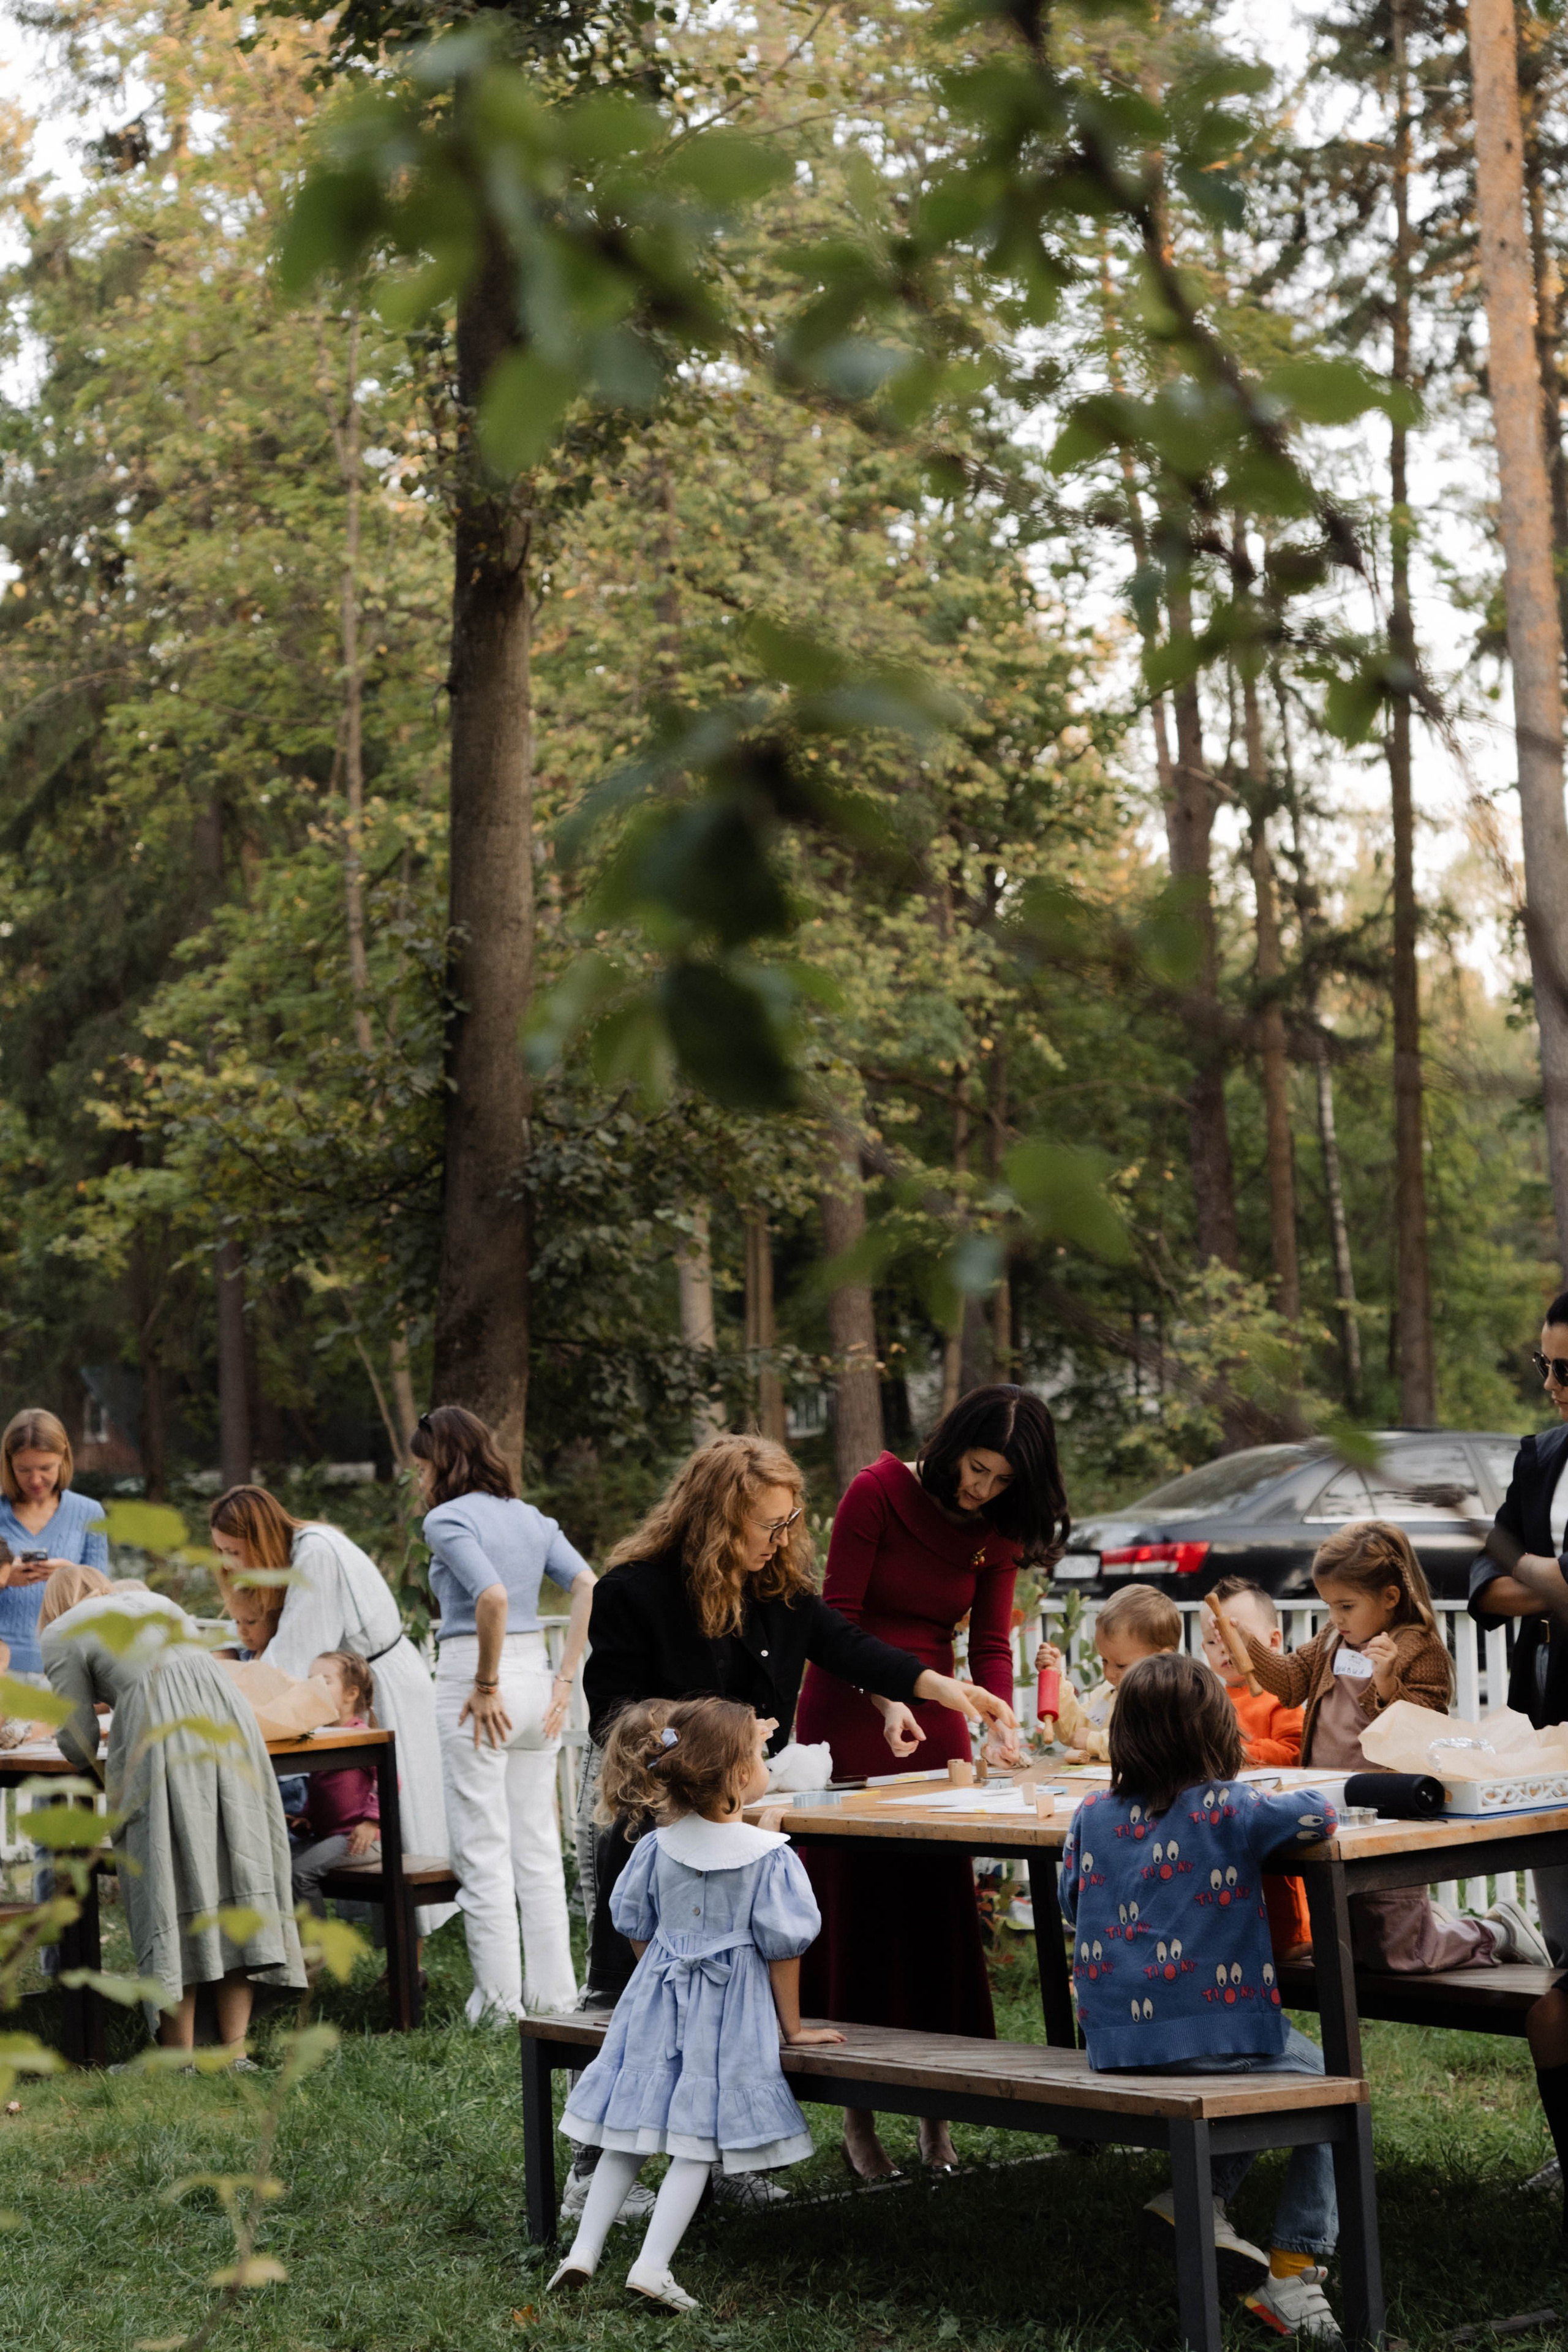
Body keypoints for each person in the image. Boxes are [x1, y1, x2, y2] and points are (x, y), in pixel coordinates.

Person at [575, 1430, 1013, 2214]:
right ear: (716, 1519)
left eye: (789, 1523)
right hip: (655, 1834)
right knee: (634, 1998)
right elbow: (612, 1716)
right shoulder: (635, 1591)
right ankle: (592, 2173)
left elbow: (849, 1646)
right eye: (766, 1526)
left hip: (743, 1837)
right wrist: (711, 1739)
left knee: (735, 2002)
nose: (782, 1540)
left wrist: (942, 1690)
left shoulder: (775, 1593)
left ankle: (723, 2163)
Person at [796, 1385, 1065, 2179]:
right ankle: (857, 2119)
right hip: (852, 1703)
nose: (979, 1491)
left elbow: (988, 1643)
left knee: (934, 1909)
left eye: (1000, 1481)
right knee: (858, 1909)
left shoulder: (999, 1529)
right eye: (975, 1470)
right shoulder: (876, 1490)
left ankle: (938, 2120)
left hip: (937, 1714)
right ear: (952, 1447)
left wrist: (1001, 1718)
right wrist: (885, 1698)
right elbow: (833, 1621)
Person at [1062, 1653, 1344, 2342]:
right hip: (1214, 2036)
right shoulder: (1235, 1808)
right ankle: (1293, 2270)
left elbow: (1070, 1900)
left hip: (1114, 2045)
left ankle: (1196, 2204)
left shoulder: (1091, 1814)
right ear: (1221, 1734)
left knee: (1266, 2070)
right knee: (1327, 2088)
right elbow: (1319, 1816)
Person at [549, 1696, 843, 2313]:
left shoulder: (658, 1846)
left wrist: (658, 1976)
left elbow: (633, 1921)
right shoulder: (772, 1859)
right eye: (760, 1755)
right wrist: (791, 2028)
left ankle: (582, 2251)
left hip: (656, 1993)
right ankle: (652, 2266)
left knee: (626, 2130)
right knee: (695, 2143)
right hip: (729, 2012)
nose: (765, 1763)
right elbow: (783, 1948)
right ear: (739, 1777)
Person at [1245, 1521, 1540, 1970]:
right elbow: (1288, 1683)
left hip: (1389, 1812)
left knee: (1403, 1954)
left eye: (1346, 1605)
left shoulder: (1418, 1647)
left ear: (1389, 1597)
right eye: (1330, 1606)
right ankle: (1428, 1925)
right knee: (1351, 1943)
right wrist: (1243, 1642)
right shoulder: (1331, 1640)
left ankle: (1497, 1931)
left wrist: (1385, 1684)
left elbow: (1423, 1732)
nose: (1336, 1618)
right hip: (1335, 1806)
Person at [40, 1570, 304, 2056]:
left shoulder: (59, 1633)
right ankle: (235, 2048)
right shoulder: (155, 1602)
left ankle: (178, 2051)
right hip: (229, 1720)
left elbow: (76, 1741)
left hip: (161, 1734)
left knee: (168, 1873)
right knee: (230, 1868)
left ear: (52, 1606)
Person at [411, 1405, 595, 2025]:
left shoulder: (447, 1518)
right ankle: (555, 1996)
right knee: (538, 1849)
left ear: (439, 1460)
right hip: (538, 1679)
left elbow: (489, 1595)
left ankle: (497, 2006)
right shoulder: (532, 1518)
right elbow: (587, 1584)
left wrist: (486, 1682)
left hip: (476, 1676)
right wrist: (566, 1677)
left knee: (483, 1849)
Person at [208, 1485, 453, 1942]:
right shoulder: (302, 1552)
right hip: (355, 1683)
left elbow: (296, 1653)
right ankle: (395, 1957)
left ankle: (406, 1962)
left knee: (399, 1830)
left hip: (379, 1687)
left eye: (234, 1551)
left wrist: (230, 1687)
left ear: (258, 1540)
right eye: (221, 1552)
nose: (229, 1563)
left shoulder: (316, 1553)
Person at [1469, 1295, 1568, 2219]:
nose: (1552, 1384)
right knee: (1564, 1968)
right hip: (1549, 1737)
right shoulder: (1541, 1456)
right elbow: (1485, 1574)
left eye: (1567, 1370)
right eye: (1545, 1366)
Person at [1200, 1578, 1311, 1960]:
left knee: (1277, 1882)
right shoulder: (1209, 1698)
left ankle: (1293, 1940)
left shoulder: (1279, 1694)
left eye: (1235, 1638)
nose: (1224, 1650)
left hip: (1270, 1815)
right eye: (1214, 1643)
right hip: (1222, 1820)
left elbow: (1294, 1751)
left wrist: (1235, 1751)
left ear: (1273, 1641)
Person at [0, 1409, 109, 1683]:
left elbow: (105, 1599)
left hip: (65, 1666)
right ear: (8, 1465)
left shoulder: (89, 1512)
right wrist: (4, 1578)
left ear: (63, 1458)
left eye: (46, 1468)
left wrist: (70, 1575)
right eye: (23, 1470)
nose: (35, 1480)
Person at [1036, 1582, 1181, 1764]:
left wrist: (1093, 1742)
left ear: (1161, 1660)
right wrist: (1055, 1679)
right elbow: (1074, 1732)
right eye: (1104, 1660)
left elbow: (1148, 1748)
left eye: (1121, 1666)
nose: (1109, 1674)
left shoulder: (1166, 1699)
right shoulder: (1109, 1691)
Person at [290, 1650, 381, 1915]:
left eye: (325, 1680)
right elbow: (322, 1785)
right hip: (327, 1837)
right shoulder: (320, 1735)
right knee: (274, 1863)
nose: (315, 1686)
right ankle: (290, 1947)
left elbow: (390, 1781)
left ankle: (315, 1954)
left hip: (359, 1838)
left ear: (351, 1694)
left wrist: (371, 1822)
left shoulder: (359, 1736)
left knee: (299, 1874)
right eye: (310, 1679)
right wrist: (307, 1818)